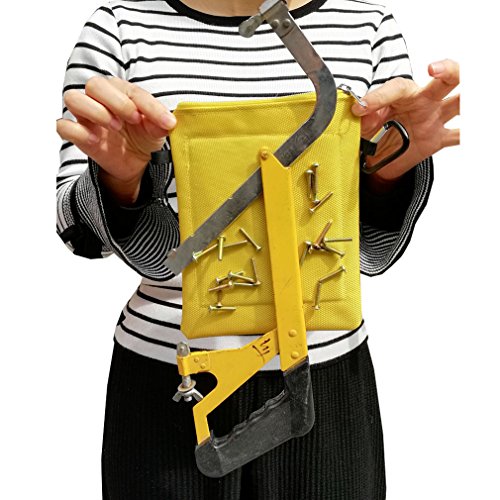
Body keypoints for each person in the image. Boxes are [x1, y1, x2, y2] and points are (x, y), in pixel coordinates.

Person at [55, 0, 460, 498]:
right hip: (167, 385)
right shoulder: (119, 28)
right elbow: (84, 236)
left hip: (327, 387)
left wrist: (390, 172)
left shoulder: (367, 28)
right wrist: (122, 182)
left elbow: (368, 256)